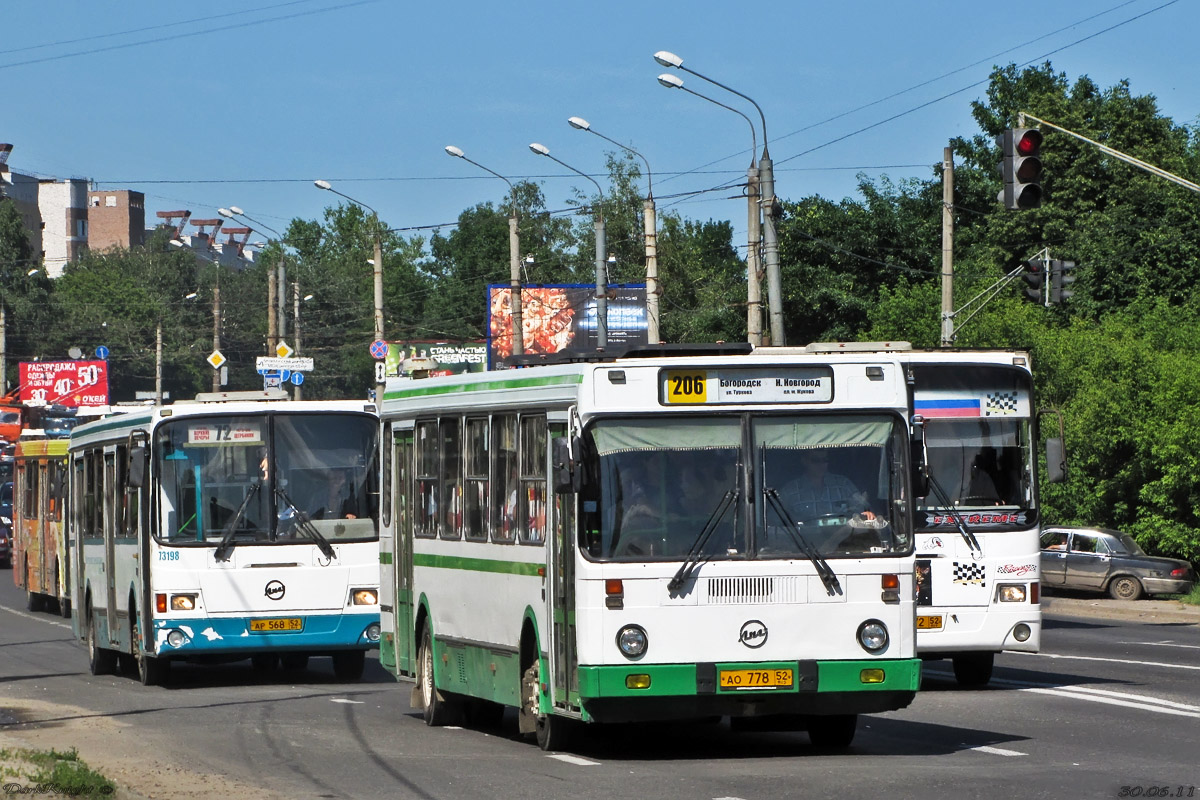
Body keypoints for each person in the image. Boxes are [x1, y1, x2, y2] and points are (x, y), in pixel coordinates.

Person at [779, 450, 875, 521]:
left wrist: (867, 514)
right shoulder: (790, 491)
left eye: (825, 460)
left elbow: (863, 509)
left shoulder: (843, 485)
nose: (821, 464)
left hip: (843, 542)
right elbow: (775, 520)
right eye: (816, 460)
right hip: (803, 544)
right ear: (804, 461)